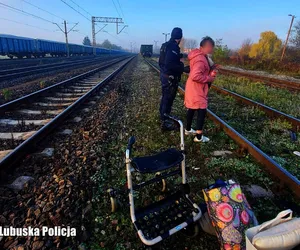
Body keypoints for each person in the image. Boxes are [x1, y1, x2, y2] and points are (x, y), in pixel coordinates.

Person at [184, 36, 217, 142]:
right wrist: (209, 78)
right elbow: (195, 75)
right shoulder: (201, 59)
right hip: (197, 88)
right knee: (202, 110)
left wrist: (211, 69)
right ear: (204, 47)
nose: (211, 49)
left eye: (212, 47)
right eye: (210, 47)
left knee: (192, 108)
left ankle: (188, 129)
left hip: (194, 87)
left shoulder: (200, 56)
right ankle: (198, 137)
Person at [159, 27, 189, 131]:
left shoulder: (165, 45)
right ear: (180, 38)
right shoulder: (173, 47)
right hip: (170, 78)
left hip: (164, 76)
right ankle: (165, 122)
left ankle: (162, 116)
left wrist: (180, 56)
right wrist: (183, 68)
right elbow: (170, 64)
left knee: (165, 98)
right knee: (168, 99)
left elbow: (163, 61)